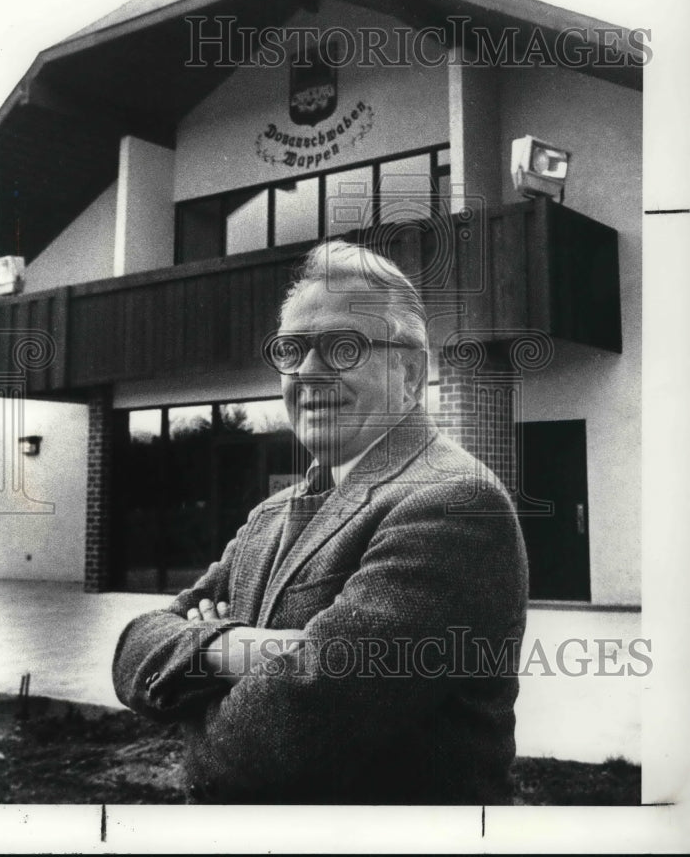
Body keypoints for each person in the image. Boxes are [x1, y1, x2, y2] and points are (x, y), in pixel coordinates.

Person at [113, 240, 529, 804]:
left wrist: (192, 674)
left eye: (342, 347)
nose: (308, 372)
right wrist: (233, 647)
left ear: (409, 373)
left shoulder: (454, 503)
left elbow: (260, 750)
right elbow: (131, 650)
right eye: (292, 348)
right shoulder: (270, 515)